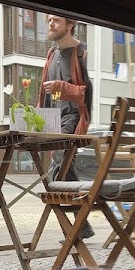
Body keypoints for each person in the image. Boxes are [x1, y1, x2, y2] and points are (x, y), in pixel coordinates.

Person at [39, 14, 94, 237]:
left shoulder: (82, 52)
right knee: (60, 166)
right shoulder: (51, 54)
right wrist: (38, 116)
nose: (51, 24)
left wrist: (61, 87)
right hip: (52, 118)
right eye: (49, 21)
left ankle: (79, 224)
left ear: (70, 25)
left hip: (72, 117)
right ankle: (81, 225)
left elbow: (87, 94)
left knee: (60, 163)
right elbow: (45, 93)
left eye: (56, 20)